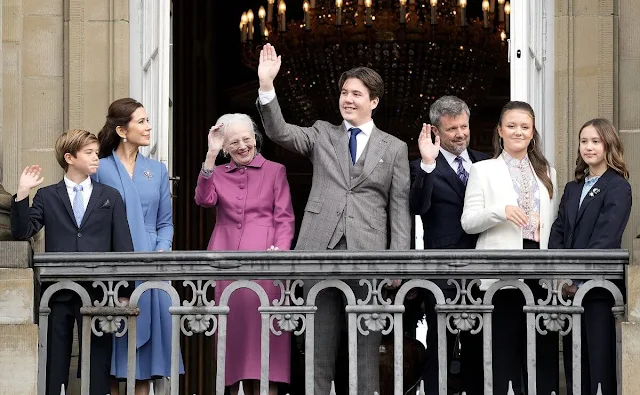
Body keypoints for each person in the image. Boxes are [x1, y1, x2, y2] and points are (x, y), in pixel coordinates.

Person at [256, 43, 411, 394]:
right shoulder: (322, 133)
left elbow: (400, 208)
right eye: (344, 92)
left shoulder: (395, 147)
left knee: (365, 351)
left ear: (373, 101)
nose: (348, 99)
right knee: (317, 351)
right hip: (318, 253)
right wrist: (267, 86)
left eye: (357, 93)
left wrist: (397, 262)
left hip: (369, 257)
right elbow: (280, 132)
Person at [10, 129, 134, 395]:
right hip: (58, 292)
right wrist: (22, 193)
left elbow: (123, 245)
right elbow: (22, 232)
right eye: (88, 153)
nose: (95, 158)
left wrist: (124, 292)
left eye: (96, 153)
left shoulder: (110, 196)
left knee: (98, 362)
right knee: (55, 359)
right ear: (70, 157)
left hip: (100, 293)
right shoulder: (47, 196)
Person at [460, 101, 559, 394]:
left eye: (525, 127)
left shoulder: (548, 172)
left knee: (541, 347)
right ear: (500, 130)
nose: (518, 131)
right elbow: (468, 222)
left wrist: (544, 225)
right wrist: (500, 211)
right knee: (502, 348)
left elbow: (555, 222)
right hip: (500, 270)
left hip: (540, 269)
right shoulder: (483, 170)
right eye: (512, 126)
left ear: (532, 133)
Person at [194, 113, 295, 395]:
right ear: (225, 147)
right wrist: (211, 156)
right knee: (232, 343)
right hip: (225, 264)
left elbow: (285, 217)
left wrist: (280, 251)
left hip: (266, 265)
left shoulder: (275, 170)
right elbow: (204, 199)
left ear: (255, 138)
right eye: (234, 142)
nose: (242, 146)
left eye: (247, 139)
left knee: (265, 344)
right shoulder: (217, 172)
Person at [94, 98, 183, 394]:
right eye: (141, 121)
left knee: (146, 360)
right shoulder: (100, 168)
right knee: (113, 349)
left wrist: (162, 250)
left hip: (152, 265)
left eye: (148, 120)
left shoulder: (156, 170)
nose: (149, 127)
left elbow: (165, 222)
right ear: (121, 130)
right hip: (114, 263)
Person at [409, 96, 490, 395]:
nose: (460, 134)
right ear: (436, 132)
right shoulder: (422, 166)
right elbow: (417, 206)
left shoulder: (486, 162)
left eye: (464, 126)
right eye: (452, 128)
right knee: (440, 345)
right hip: (443, 270)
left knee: (479, 348)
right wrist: (428, 163)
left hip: (483, 269)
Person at [549, 118, 631, 395]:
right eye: (584, 141)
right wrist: (562, 275)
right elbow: (558, 230)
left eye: (595, 141)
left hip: (598, 289)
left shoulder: (618, 186)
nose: (589, 147)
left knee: (599, 362)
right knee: (575, 361)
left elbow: (605, 238)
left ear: (608, 144)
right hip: (569, 290)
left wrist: (580, 279)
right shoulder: (573, 188)